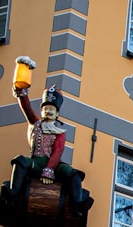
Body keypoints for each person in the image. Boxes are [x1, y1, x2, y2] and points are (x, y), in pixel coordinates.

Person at [9, 62, 92, 217]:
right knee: (20, 162)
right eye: (45, 108)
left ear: (57, 114)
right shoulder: (36, 123)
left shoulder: (59, 132)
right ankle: (13, 193)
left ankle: (78, 204)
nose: (48, 111)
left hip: (52, 163)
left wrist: (49, 169)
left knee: (73, 174)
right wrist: (21, 91)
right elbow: (26, 107)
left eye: (51, 109)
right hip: (37, 160)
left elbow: (57, 152)